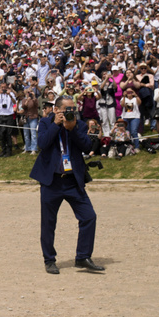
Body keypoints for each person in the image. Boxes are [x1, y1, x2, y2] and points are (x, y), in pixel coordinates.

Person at [29, 96, 105, 275]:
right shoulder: (46, 123)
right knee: (48, 222)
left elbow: (87, 146)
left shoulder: (79, 125)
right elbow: (42, 144)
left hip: (73, 181)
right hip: (52, 181)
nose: (71, 113)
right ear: (56, 110)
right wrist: (56, 125)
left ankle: (83, 257)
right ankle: (49, 260)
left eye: (73, 110)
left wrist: (72, 130)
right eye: (67, 110)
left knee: (88, 216)